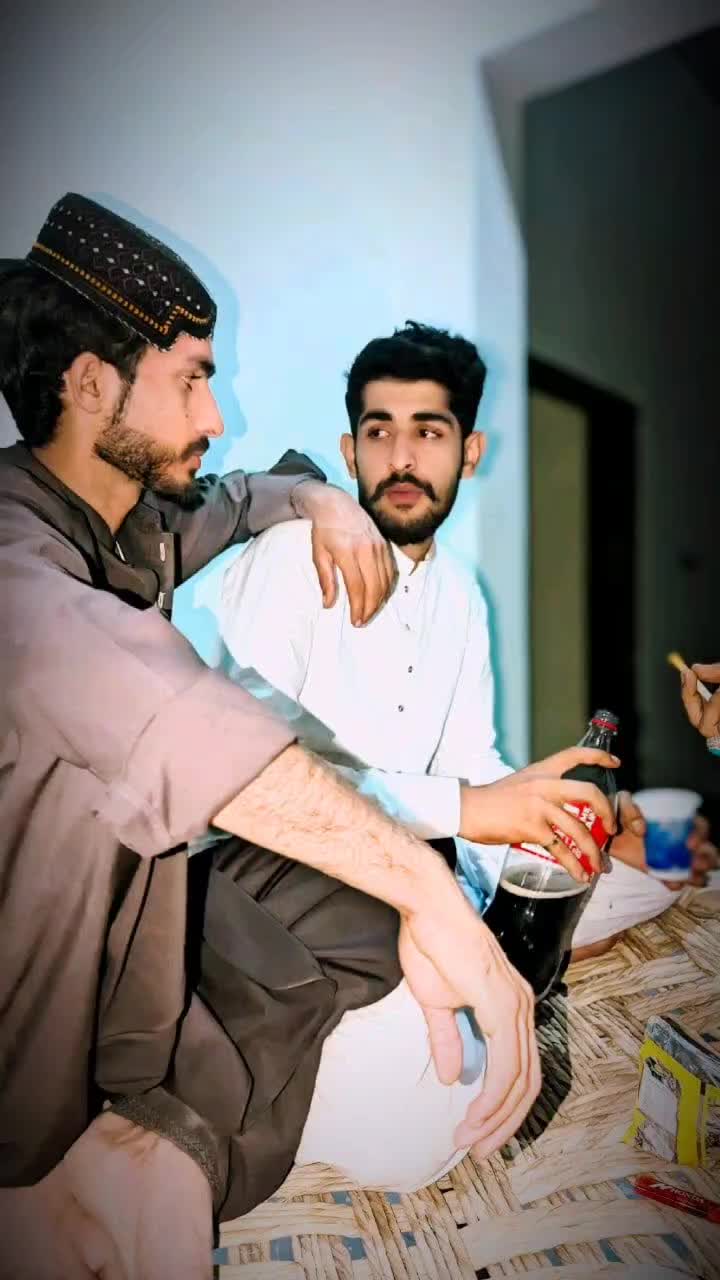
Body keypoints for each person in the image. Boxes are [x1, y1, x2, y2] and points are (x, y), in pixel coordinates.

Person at [0, 198, 616, 1280]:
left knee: (382, 916)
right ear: (92, 384)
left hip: (156, 917)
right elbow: (200, 738)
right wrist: (436, 886)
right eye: (193, 379)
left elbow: (243, 495)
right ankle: (80, 1175)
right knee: (404, 988)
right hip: (38, 1004)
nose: (217, 411)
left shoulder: (135, 521)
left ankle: (162, 1139)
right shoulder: (18, 570)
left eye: (430, 431)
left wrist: (315, 497)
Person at [217, 320, 663, 1189]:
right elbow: (245, 779)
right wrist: (472, 811)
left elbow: (472, 762)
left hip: (424, 876)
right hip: (289, 898)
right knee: (431, 1122)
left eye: (429, 431)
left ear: (470, 450)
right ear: (350, 449)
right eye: (379, 431)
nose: (402, 457)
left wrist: (553, 821)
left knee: (632, 887)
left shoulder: (460, 592)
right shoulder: (289, 558)